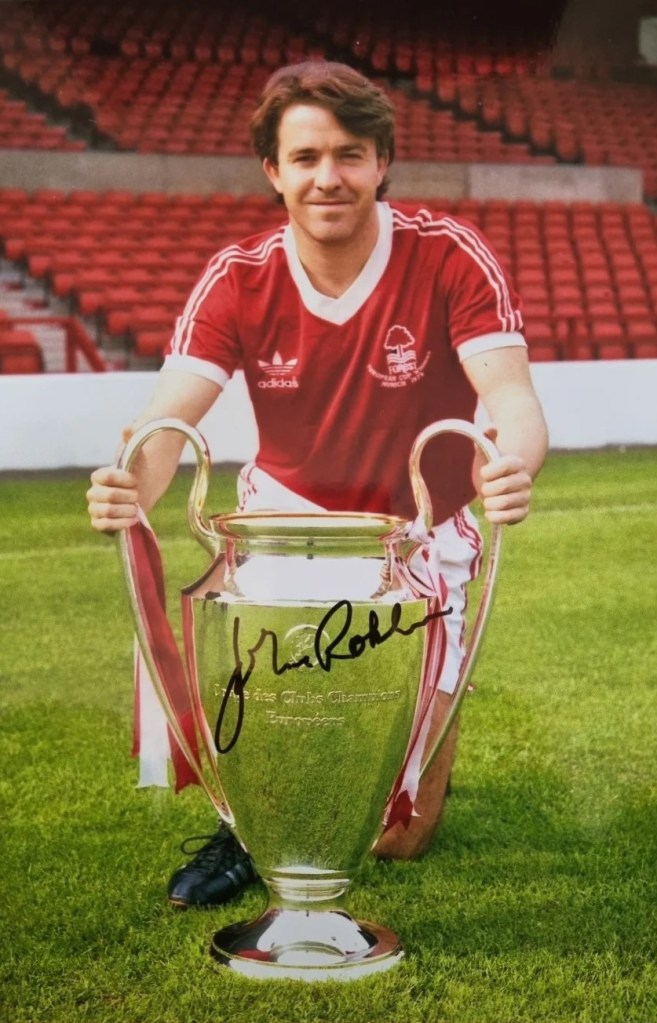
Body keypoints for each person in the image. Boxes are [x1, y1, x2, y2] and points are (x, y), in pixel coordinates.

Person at [87, 60, 548, 908]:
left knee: (398, 840)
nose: (327, 176)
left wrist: (511, 464)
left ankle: (431, 688)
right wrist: (128, 487)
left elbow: (514, 402)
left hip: (417, 534)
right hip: (286, 524)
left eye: (348, 154)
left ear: (382, 162)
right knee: (272, 726)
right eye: (304, 158)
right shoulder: (238, 275)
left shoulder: (448, 255)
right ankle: (239, 829)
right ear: (273, 170)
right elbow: (163, 426)